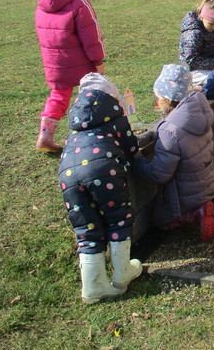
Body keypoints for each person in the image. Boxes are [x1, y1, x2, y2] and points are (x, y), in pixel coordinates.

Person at [58, 73, 143, 304]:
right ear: (111, 98)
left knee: (86, 228)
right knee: (118, 218)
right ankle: (122, 272)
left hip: (67, 175)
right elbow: (131, 148)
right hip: (102, 171)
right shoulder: (115, 117)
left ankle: (93, 286)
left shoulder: (75, 123)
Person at [133, 64, 214, 242]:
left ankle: (193, 213)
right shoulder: (200, 114)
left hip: (184, 195)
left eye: (158, 97)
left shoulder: (170, 131)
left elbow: (159, 175)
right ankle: (210, 202)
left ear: (166, 99)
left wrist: (137, 158)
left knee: (162, 219)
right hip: (208, 183)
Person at [34, 0, 105, 153]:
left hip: (55, 63)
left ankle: (45, 136)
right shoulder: (80, 3)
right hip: (81, 63)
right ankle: (84, 136)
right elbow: (91, 37)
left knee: (58, 96)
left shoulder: (42, 4)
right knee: (88, 96)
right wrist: (98, 61)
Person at [178, 0, 214, 85]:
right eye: (211, 24)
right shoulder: (193, 34)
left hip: (205, 68)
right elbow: (191, 60)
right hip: (191, 72)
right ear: (201, 17)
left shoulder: (207, 28)